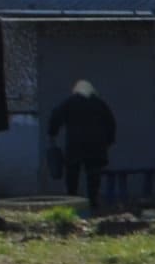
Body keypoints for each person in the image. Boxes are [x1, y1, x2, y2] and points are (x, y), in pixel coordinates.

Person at [46, 79, 117, 209]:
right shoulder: (100, 104)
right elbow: (111, 123)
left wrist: (52, 133)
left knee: (72, 174)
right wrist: (109, 141)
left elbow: (56, 116)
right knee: (93, 175)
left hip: (75, 145)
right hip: (96, 146)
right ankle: (93, 202)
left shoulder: (70, 102)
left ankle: (72, 200)